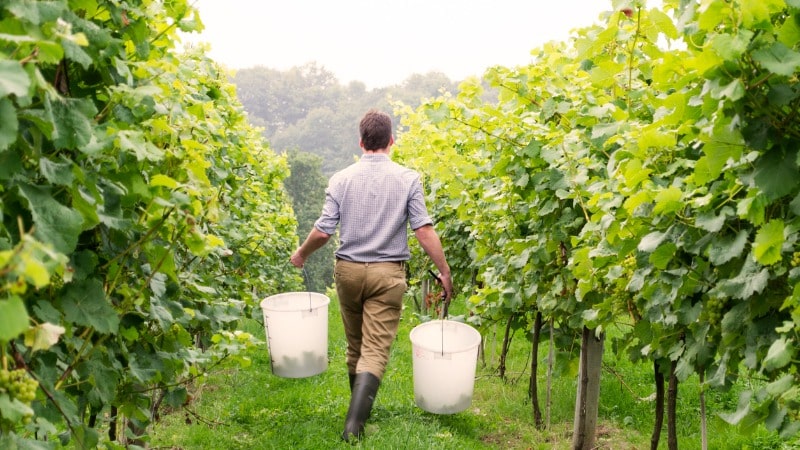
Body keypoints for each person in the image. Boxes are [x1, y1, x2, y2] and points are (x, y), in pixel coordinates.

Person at [290, 109, 453, 442]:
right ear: (391, 141)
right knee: (375, 350)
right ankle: (355, 426)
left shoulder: (340, 179)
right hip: (387, 274)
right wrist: (444, 270)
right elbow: (423, 230)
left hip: (347, 271)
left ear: (361, 141)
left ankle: (358, 417)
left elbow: (323, 232)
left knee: (356, 346)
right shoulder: (408, 178)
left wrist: (301, 254)